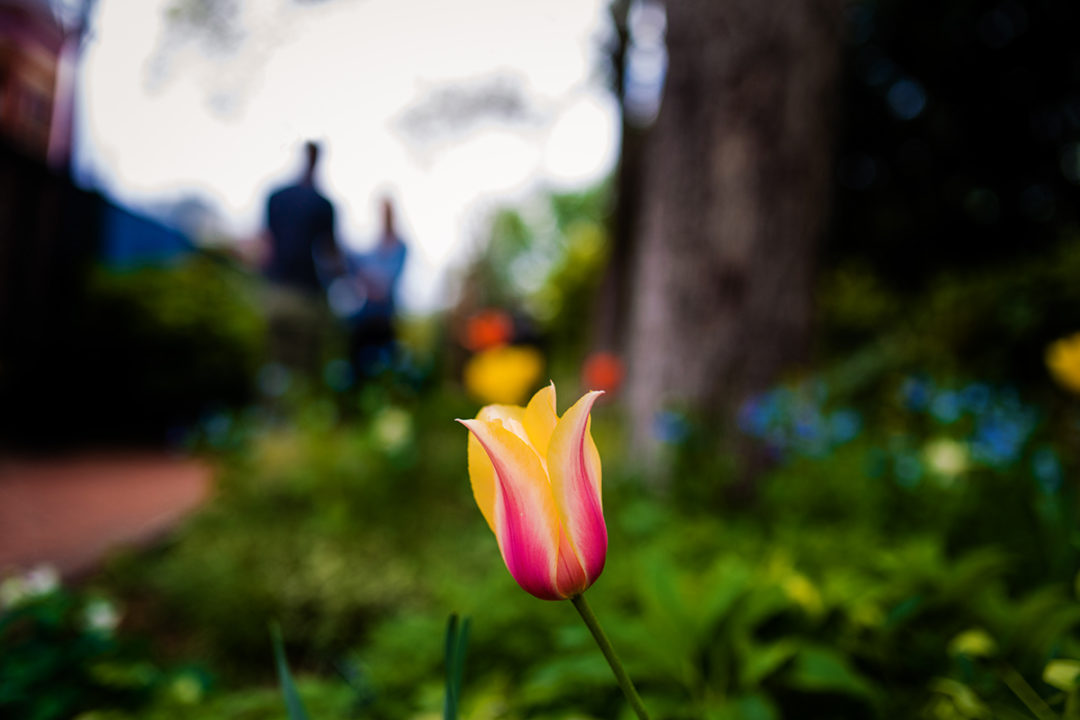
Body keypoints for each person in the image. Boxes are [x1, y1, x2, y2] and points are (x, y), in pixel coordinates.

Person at [261, 141, 341, 382]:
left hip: (275, 291)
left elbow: (265, 244)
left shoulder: (276, 197)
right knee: (303, 365)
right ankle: (295, 411)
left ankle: (274, 412)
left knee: (275, 361)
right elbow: (330, 253)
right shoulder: (323, 205)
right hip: (307, 295)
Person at [348, 197, 407, 378]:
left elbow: (387, 282)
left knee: (387, 372)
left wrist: (368, 276)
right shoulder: (372, 248)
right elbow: (354, 266)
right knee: (360, 372)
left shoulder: (400, 247)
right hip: (365, 318)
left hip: (386, 319)